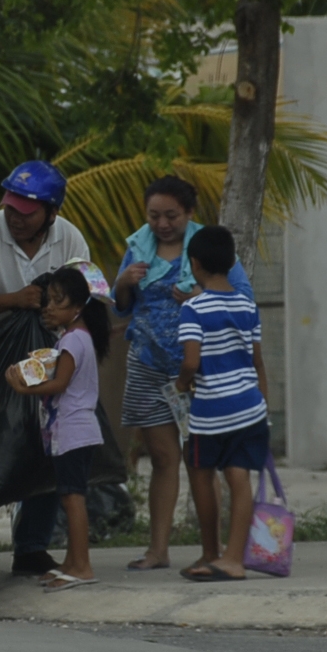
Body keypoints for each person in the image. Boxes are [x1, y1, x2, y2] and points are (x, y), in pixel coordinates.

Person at [0, 160, 91, 598]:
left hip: (43, 357)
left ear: (50, 213)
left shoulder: (69, 237)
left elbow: (89, 293)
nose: (15, 217)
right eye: (11, 207)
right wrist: (17, 300)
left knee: (48, 444)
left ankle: (30, 546)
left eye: (26, 212)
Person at [112, 177, 253, 571]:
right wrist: (122, 283)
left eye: (171, 215)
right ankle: (158, 550)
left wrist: (198, 297)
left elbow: (241, 298)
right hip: (148, 365)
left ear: (189, 213)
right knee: (161, 457)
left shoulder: (207, 247)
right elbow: (121, 307)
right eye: (154, 215)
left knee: (199, 460)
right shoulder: (138, 247)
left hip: (195, 372)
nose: (162, 223)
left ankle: (214, 550)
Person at [5, 265, 111, 591]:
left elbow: (60, 384)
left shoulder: (73, 341)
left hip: (73, 431)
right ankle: (70, 563)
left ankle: (82, 566)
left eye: (58, 302)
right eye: (48, 300)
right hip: (74, 431)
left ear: (77, 307)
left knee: (72, 499)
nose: (49, 307)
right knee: (69, 497)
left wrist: (23, 389)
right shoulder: (77, 337)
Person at [175, 226, 270, 582]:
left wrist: (182, 384)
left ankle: (210, 550)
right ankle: (233, 558)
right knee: (238, 476)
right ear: (232, 264)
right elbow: (257, 360)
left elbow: (190, 362)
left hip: (211, 411)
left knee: (201, 474)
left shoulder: (193, 309)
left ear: (195, 264)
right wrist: (262, 403)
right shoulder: (247, 305)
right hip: (249, 406)